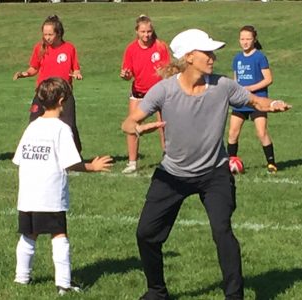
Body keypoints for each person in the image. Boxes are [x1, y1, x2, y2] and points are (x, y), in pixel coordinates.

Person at [121, 29, 291, 300]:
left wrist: (273, 104)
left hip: (214, 173)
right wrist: (140, 128)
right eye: (207, 53)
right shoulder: (164, 90)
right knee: (145, 234)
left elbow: (255, 100)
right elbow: (128, 123)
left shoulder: (222, 85)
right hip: (173, 174)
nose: (213, 57)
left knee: (222, 230)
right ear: (189, 57)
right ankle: (156, 291)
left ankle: (235, 296)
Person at [12, 77, 113, 294]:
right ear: (62, 100)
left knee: (28, 235)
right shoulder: (61, 128)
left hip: (27, 194)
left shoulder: (32, 127)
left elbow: (18, 159)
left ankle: (21, 279)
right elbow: (71, 163)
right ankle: (64, 284)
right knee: (59, 235)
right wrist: (92, 167)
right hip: (49, 194)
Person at [13, 15, 83, 153]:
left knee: (69, 125)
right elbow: (33, 68)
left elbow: (76, 68)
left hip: (63, 94)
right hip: (43, 92)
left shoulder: (69, 48)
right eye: (45, 34)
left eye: (50, 34)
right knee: (33, 121)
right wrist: (24, 74)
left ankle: (75, 154)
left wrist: (77, 73)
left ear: (59, 33)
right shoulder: (39, 48)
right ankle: (32, 151)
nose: (47, 37)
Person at [119, 14, 170, 174]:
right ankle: (132, 162)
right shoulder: (131, 49)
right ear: (137, 32)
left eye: (149, 31)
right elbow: (128, 73)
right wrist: (126, 75)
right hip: (139, 92)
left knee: (164, 126)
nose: (146, 35)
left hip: (159, 92)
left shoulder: (160, 46)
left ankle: (168, 158)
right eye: (143, 31)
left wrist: (162, 72)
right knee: (132, 126)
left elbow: (169, 69)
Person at [228, 25, 277, 174]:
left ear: (254, 40)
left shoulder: (260, 57)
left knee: (261, 133)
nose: (245, 42)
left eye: (248, 39)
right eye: (242, 39)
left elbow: (269, 79)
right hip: (241, 102)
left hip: (258, 101)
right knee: (232, 133)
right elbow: (236, 80)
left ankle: (271, 163)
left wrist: (250, 89)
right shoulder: (237, 58)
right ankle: (231, 162)